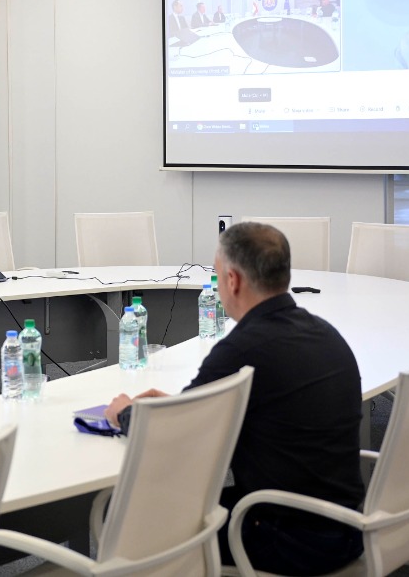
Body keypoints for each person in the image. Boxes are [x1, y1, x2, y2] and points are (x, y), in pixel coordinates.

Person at [104, 222, 364, 574]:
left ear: (232, 280)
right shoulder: (324, 332)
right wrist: (179, 406)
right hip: (346, 524)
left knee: (127, 513)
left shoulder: (243, 348)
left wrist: (125, 413)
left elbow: (170, 439)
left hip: (290, 537)